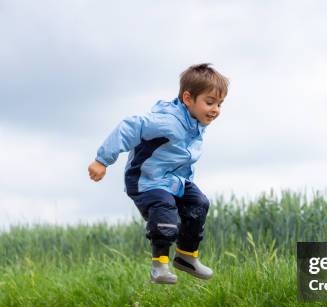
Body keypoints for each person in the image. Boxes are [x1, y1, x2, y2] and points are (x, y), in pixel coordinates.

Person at [87, 63, 228, 284]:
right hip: (146, 180)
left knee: (199, 204)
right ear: (188, 98)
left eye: (219, 104)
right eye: (209, 102)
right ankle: (159, 264)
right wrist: (102, 160)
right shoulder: (167, 121)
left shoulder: (196, 125)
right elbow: (129, 127)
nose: (215, 109)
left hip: (174, 181)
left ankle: (186, 256)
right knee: (166, 213)